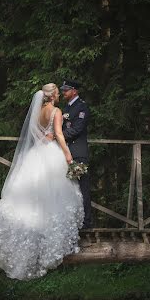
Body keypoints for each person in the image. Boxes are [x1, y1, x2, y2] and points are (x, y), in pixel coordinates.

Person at [0, 83, 84, 280]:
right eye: (58, 92)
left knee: (33, 194)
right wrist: (68, 156)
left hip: (35, 153)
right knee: (53, 195)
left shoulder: (37, 111)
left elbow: (35, 134)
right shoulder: (55, 111)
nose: (59, 95)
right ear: (54, 95)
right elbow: (59, 135)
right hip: (50, 153)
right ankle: (49, 238)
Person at [60, 79, 92, 228]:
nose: (63, 92)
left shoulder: (82, 107)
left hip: (78, 151)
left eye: (66, 90)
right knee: (68, 187)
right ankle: (72, 219)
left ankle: (86, 221)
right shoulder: (66, 108)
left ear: (74, 91)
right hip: (65, 152)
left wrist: (58, 136)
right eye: (63, 90)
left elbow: (78, 129)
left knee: (82, 187)